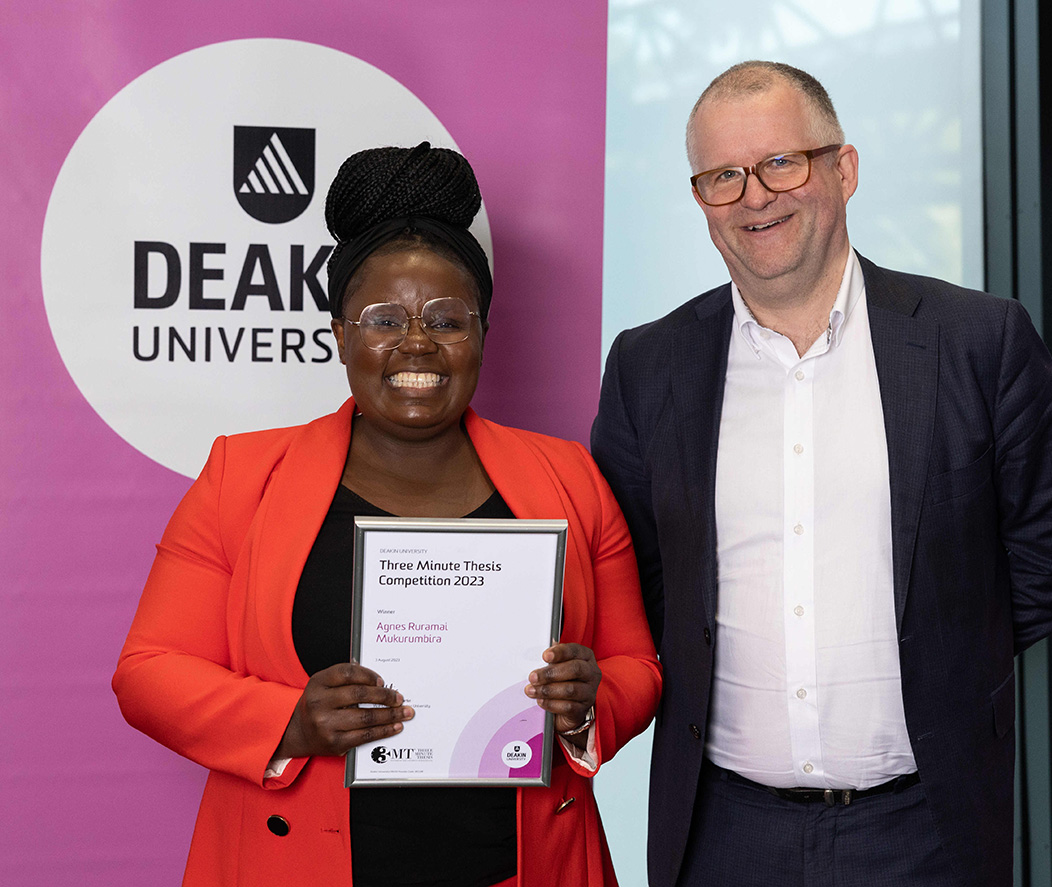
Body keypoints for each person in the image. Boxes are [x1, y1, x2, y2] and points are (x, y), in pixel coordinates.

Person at [591, 61, 1052, 887]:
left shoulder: (976, 341)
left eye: (782, 163)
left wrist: (951, 637)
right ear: (700, 201)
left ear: (844, 169)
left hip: (923, 827)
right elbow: (629, 570)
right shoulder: (649, 366)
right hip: (723, 833)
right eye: (723, 176)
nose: (755, 196)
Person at [114, 142, 662, 887]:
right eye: (382, 318)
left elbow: (637, 666)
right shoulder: (242, 477)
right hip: (300, 864)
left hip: (525, 867)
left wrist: (589, 702)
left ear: (481, 335)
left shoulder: (569, 478)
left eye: (446, 318)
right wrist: (290, 720)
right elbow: (147, 672)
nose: (415, 342)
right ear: (340, 334)